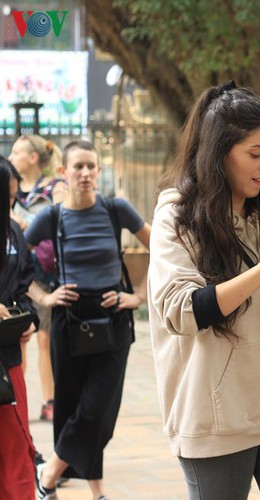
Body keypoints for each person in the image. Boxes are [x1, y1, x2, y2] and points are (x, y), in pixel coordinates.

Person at [148, 81, 260, 500]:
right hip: (216, 417)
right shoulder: (176, 214)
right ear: (218, 153)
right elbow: (185, 311)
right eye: (255, 153)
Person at [24, 140, 151, 500]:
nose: (85, 173)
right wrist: (45, 297)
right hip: (70, 320)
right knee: (71, 408)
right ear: (63, 172)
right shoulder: (51, 216)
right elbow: (16, 262)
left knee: (98, 409)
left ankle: (47, 476)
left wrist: (137, 296)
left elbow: (162, 249)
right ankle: (97, 491)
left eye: (91, 166)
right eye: (77, 166)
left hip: (113, 319)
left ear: (98, 170)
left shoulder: (116, 209)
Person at [9, 134, 66, 422]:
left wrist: (25, 225)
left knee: (45, 339)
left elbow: (63, 221)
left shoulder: (55, 187)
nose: (11, 156)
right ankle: (14, 399)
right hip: (15, 273)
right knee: (17, 338)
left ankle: (50, 400)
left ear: (33, 158)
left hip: (46, 273)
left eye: (17, 151)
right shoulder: (11, 190)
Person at [0, 156, 39, 499]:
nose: (11, 205)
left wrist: (24, 317)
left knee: (16, 450)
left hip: (7, 362)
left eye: (13, 196)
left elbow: (25, 284)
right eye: (6, 196)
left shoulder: (12, 231)